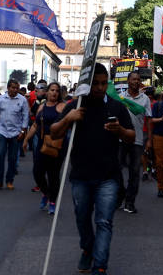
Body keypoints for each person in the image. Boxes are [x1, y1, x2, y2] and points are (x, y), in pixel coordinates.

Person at [50, 63, 135, 274]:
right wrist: (69, 119)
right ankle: (87, 249)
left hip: (108, 176)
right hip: (80, 175)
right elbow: (54, 133)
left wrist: (120, 130)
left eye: (104, 83)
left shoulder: (116, 107)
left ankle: (100, 265)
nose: (99, 88)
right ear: (88, 84)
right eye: (96, 83)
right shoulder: (75, 105)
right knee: (82, 216)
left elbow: (132, 136)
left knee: (104, 221)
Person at [24, 82, 66, 214]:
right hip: (42, 144)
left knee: (53, 175)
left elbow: (69, 122)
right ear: (47, 92)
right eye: (52, 90)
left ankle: (53, 201)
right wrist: (26, 139)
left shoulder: (62, 107)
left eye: (57, 91)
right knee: (37, 172)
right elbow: (36, 125)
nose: (54, 93)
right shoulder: (41, 107)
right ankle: (46, 193)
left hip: (57, 145)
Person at [118, 71, 152, 214]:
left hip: (137, 140)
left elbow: (149, 119)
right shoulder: (120, 97)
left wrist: (149, 139)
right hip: (120, 139)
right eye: (133, 79)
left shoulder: (145, 99)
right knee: (116, 169)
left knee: (134, 173)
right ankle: (121, 195)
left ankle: (130, 202)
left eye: (138, 79)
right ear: (128, 81)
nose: (136, 82)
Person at [0, 79, 28, 190]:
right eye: (12, 87)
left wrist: (22, 131)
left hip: (16, 133)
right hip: (2, 131)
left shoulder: (22, 100)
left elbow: (25, 116)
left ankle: (10, 180)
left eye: (17, 88)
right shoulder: (1, 99)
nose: (15, 90)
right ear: (8, 88)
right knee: (0, 155)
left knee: (12, 158)